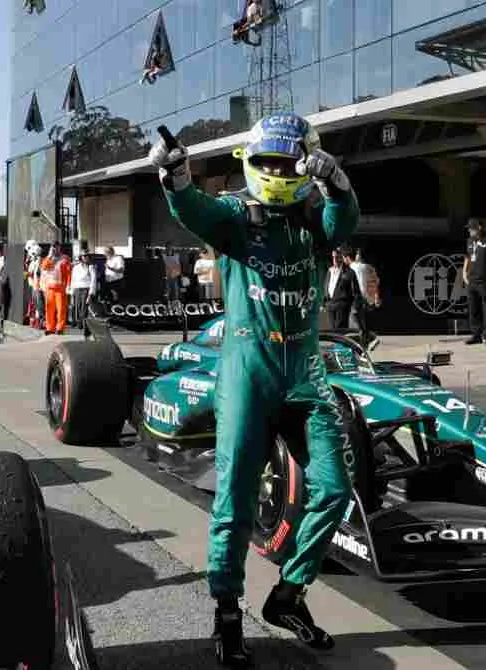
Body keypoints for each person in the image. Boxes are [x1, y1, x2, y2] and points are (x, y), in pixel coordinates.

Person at [149, 112, 359, 667]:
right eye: (264, 161)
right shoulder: (238, 215)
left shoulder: (318, 216)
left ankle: (289, 594)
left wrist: (338, 183)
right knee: (234, 500)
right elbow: (193, 208)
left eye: (285, 161)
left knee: (335, 490)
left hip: (305, 376)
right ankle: (226, 613)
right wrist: (176, 178)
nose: (274, 171)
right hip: (247, 372)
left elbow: (344, 224)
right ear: (249, 162)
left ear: (307, 160)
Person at [342, 248, 379, 349]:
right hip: (367, 300)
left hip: (357, 300)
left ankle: (362, 345)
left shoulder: (352, 268)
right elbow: (375, 283)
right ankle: (367, 341)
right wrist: (376, 297)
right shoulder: (369, 267)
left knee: (356, 326)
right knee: (364, 324)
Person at [40, 242, 71, 335]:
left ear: (59, 248)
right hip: (49, 287)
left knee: (61, 309)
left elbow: (69, 272)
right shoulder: (47, 258)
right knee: (49, 308)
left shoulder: (65, 258)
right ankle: (50, 328)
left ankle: (60, 328)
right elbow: (44, 267)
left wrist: (69, 285)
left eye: (56, 247)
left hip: (60, 287)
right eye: (53, 247)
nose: (55, 249)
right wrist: (50, 256)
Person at [325, 248, 359, 331]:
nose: (335, 259)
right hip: (330, 305)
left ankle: (341, 344)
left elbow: (355, 291)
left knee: (340, 331)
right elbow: (326, 285)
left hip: (342, 305)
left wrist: (354, 306)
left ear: (342, 257)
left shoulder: (349, 272)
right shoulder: (329, 271)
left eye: (337, 257)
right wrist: (325, 301)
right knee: (332, 331)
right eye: (333, 257)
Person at [68, 248, 96, 337]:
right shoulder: (76, 267)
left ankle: (86, 328)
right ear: (81, 257)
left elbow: (93, 281)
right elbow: (73, 280)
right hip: (77, 289)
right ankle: (80, 323)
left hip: (86, 289)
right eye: (84, 256)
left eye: (87, 256)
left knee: (85, 309)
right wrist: (72, 292)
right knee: (78, 308)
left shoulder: (91, 267)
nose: (86, 257)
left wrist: (91, 293)